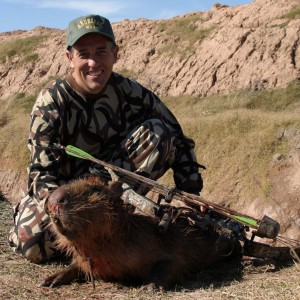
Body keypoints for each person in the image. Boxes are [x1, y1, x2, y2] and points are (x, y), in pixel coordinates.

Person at [8, 14, 203, 264]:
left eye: (101, 52)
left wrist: (191, 193)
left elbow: (179, 140)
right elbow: (40, 175)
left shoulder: (132, 94)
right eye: (83, 53)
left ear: (115, 54)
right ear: (70, 58)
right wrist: (63, 208)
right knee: (33, 247)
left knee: (159, 131)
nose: (93, 62)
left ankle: (113, 223)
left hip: (111, 190)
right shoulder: (51, 104)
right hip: (65, 197)